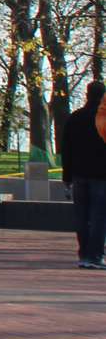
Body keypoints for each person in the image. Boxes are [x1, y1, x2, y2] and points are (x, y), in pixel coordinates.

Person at [68, 81, 106, 270]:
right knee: (99, 216)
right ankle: (95, 255)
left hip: (79, 173)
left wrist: (67, 176)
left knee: (81, 216)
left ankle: (83, 253)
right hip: (101, 174)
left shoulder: (75, 118)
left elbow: (66, 149)